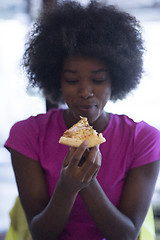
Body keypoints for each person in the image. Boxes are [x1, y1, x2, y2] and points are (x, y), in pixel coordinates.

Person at [4, 1, 160, 240]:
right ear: (56, 80)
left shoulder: (144, 139)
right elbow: (40, 233)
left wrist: (86, 182)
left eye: (98, 80)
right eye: (72, 80)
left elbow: (127, 235)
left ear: (115, 81)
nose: (85, 91)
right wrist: (67, 187)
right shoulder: (27, 134)